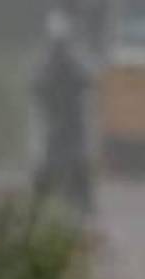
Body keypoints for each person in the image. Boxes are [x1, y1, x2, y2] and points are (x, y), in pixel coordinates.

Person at [32, 8, 95, 215]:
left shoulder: (65, 57)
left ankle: (81, 205)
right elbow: (37, 87)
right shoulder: (56, 58)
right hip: (58, 120)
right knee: (53, 160)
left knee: (72, 160)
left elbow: (86, 81)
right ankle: (41, 205)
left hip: (68, 120)